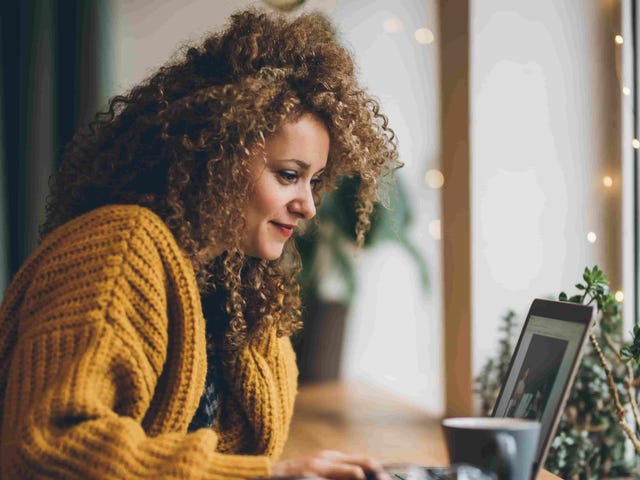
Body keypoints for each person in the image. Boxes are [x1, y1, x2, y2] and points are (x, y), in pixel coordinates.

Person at [0, 7, 400, 480]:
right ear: (216, 153)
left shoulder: (241, 286)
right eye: (289, 176)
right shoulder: (122, 246)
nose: (308, 206)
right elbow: (47, 446)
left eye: (315, 182)